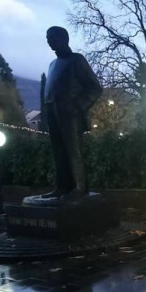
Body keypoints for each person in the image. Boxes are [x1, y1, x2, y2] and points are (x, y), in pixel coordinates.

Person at [39, 26, 102, 200]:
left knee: (73, 151)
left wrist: (77, 107)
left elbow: (95, 88)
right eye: (47, 37)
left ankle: (80, 188)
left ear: (63, 38)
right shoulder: (53, 64)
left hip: (70, 113)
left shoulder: (77, 60)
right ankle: (62, 187)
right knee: (58, 151)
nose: (49, 41)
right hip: (53, 110)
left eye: (52, 37)